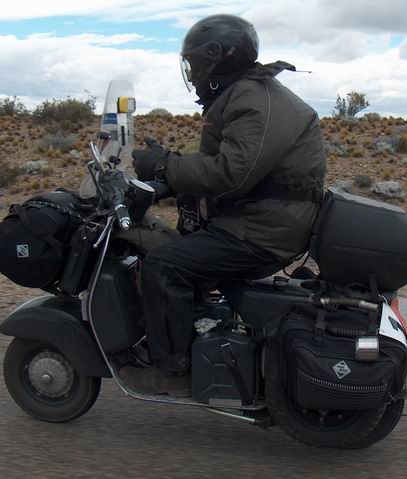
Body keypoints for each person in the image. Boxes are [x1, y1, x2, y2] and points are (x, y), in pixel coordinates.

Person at [119, 14, 326, 396]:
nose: (193, 72)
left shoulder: (252, 99)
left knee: (164, 265)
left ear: (217, 57)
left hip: (263, 231)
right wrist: (167, 180)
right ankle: (200, 336)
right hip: (265, 221)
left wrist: (166, 165)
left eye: (195, 63)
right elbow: (225, 166)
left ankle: (172, 371)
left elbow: (232, 173)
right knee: (175, 246)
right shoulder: (247, 93)